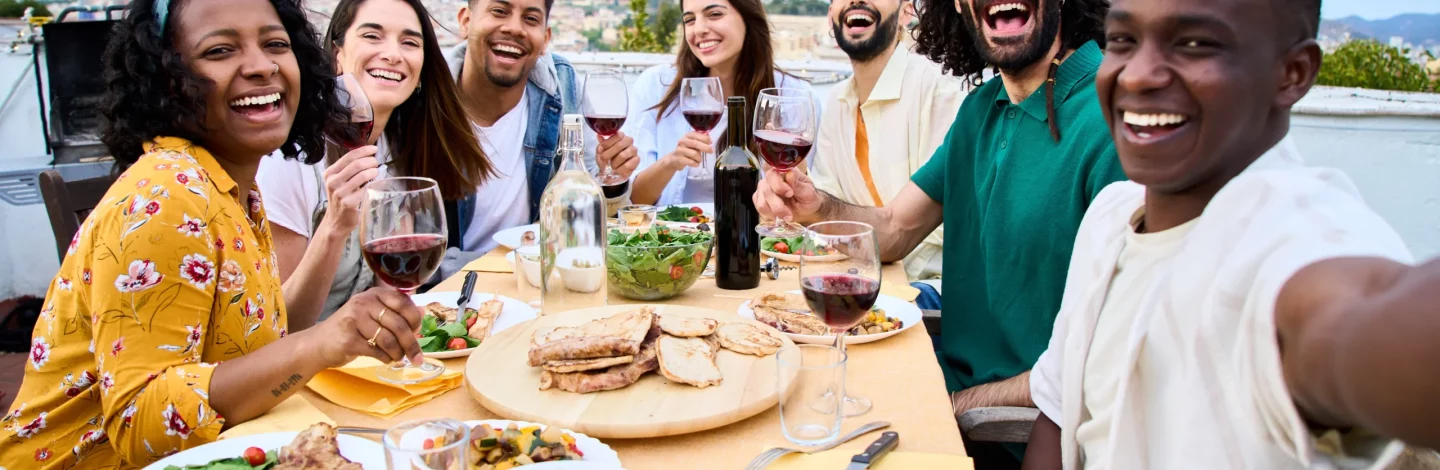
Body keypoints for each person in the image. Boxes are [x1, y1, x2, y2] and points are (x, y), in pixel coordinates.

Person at [0, 1, 427, 467]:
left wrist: (328, 325)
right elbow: (142, 425)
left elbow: (266, 339)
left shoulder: (229, 185)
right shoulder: (166, 196)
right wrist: (322, 341)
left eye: (275, 44)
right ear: (166, 79)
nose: (261, 66)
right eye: (220, 50)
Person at [1023, 0, 1440, 467]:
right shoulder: (1110, 216)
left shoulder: (1293, 243)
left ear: (1293, 73)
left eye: (1196, 44)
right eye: (1123, 40)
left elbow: (1362, 318)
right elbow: (1058, 414)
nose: (1138, 75)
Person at [757, 0, 1124, 463]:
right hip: (942, 392)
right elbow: (893, 229)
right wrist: (814, 205)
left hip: (1007, 439)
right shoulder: (980, 109)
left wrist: (945, 408)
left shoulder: (1118, 119)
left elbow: (1109, 362)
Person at [257, 0, 493, 322]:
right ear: (337, 55)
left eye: (409, 42)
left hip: (368, 357)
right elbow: (279, 325)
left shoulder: (397, 145)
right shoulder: (292, 158)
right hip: (308, 366)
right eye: (372, 36)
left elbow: (393, 288)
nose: (393, 54)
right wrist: (335, 225)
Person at [442, 0, 639, 266]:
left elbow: (596, 218)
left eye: (531, 19)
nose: (514, 28)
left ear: (545, 38)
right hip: (450, 290)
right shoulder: (424, 98)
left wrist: (613, 178)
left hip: (539, 282)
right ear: (466, 21)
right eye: (499, 11)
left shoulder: (563, 83)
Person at [811, 0, 965, 284]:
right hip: (858, 278)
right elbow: (825, 206)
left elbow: (946, 228)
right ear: (830, 13)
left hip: (933, 290)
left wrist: (876, 270)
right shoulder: (836, 101)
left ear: (907, 11)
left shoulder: (941, 91)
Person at [625, 0, 817, 207]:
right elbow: (635, 201)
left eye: (715, 14)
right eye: (690, 20)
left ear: (748, 18)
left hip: (754, 236)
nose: (699, 29)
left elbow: (803, 207)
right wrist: (670, 163)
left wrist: (792, 175)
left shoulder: (794, 97)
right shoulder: (655, 85)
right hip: (679, 236)